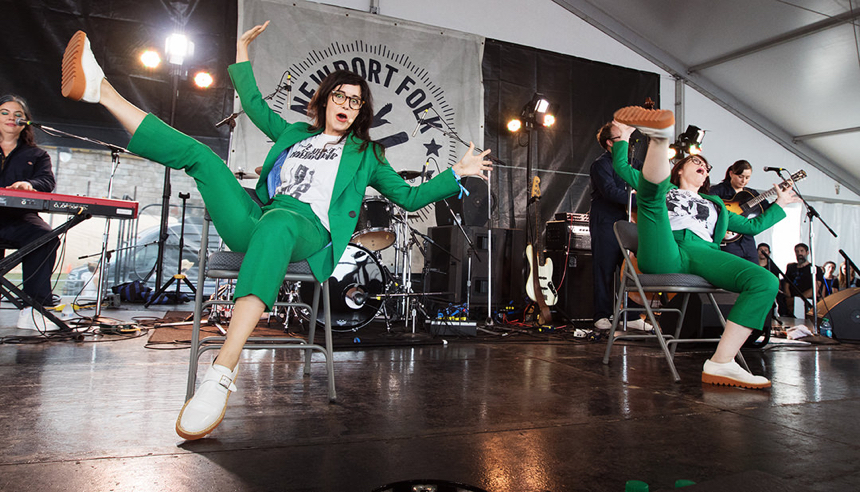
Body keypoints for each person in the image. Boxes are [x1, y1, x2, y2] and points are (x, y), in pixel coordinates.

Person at [60, 22, 493, 440]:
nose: (346, 103)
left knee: (282, 221)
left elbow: (410, 198)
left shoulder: (367, 154)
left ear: (362, 111)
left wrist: (458, 172)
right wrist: (242, 55)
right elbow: (253, 106)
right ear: (324, 100)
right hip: (262, 219)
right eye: (339, 95)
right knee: (201, 156)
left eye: (356, 100)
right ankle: (102, 90)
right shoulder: (294, 133)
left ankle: (222, 372)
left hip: (308, 231)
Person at [610, 105, 798, 389]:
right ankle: (659, 139)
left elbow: (752, 227)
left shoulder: (716, 204)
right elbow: (622, 168)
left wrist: (781, 203)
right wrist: (622, 137)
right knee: (652, 197)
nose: (704, 166)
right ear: (680, 167)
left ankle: (721, 362)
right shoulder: (669, 189)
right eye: (696, 161)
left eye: (706, 166)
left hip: (704, 252)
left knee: (765, 280)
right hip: (665, 247)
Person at [0, 94, 62, 332]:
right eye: (5, 112)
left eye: (18, 114)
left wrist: (30, 185)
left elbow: (47, 182)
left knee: (45, 238)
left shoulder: (37, 155)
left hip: (20, 218)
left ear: (25, 122)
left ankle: (34, 308)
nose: (11, 118)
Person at [588, 121, 650, 331]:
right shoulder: (601, 164)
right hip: (606, 221)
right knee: (604, 268)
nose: (627, 142)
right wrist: (641, 199)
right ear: (609, 143)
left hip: (630, 222)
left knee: (633, 268)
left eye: (628, 138)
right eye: (621, 138)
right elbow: (610, 192)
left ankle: (631, 315)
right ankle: (602, 315)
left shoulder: (636, 163)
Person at [708, 160, 764, 263]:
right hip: (727, 241)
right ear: (731, 174)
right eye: (740, 176)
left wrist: (781, 198)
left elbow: (767, 210)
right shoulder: (717, 190)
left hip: (747, 241)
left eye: (747, 178)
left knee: (753, 269)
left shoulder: (751, 194)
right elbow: (707, 207)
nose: (744, 181)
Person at [781, 243, 823, 317]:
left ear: (807, 253)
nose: (799, 253)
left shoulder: (815, 268)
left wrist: (797, 300)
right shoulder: (791, 267)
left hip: (807, 302)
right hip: (791, 303)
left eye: (801, 251)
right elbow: (786, 284)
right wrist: (789, 299)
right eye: (797, 251)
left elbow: (816, 287)